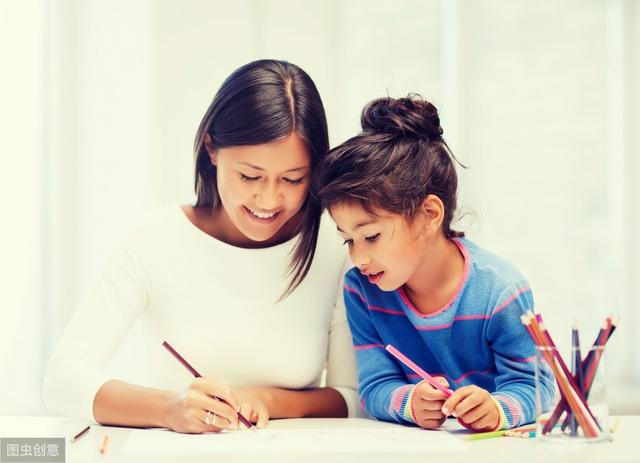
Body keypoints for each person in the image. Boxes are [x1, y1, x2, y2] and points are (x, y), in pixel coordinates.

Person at [43, 59, 360, 434]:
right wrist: (169, 408)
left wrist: (267, 399)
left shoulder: (336, 246)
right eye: (249, 175)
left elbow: (352, 396)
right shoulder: (155, 238)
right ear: (211, 149)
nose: (269, 198)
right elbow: (62, 379)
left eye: (293, 179)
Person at [311, 95, 555, 432]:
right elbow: (374, 387)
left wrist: (497, 409)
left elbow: (537, 388)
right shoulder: (362, 290)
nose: (358, 258)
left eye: (371, 237)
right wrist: (410, 403)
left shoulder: (500, 292)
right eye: (347, 239)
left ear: (429, 215)